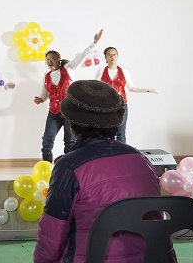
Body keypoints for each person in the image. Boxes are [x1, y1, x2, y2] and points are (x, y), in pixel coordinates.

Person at [34, 80, 176, 262]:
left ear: (71, 123)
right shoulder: (142, 161)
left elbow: (52, 236)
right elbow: (158, 225)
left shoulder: (69, 166)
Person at [34, 29, 103, 163]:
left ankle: (70, 166)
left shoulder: (69, 68)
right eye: (47, 59)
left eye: (52, 59)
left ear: (58, 59)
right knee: (47, 139)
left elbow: (82, 56)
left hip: (70, 111)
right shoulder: (46, 76)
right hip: (54, 112)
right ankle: (47, 167)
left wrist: (94, 43)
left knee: (70, 141)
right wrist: (40, 99)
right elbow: (45, 93)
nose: (49, 61)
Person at [95, 46, 157, 144]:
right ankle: (108, 152)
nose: (112, 57)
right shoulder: (101, 71)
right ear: (106, 57)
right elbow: (96, 88)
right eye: (109, 55)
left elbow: (131, 87)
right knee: (108, 133)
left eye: (114, 54)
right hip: (107, 107)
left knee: (121, 133)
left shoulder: (124, 71)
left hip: (121, 106)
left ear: (117, 56)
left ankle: (122, 153)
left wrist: (146, 90)